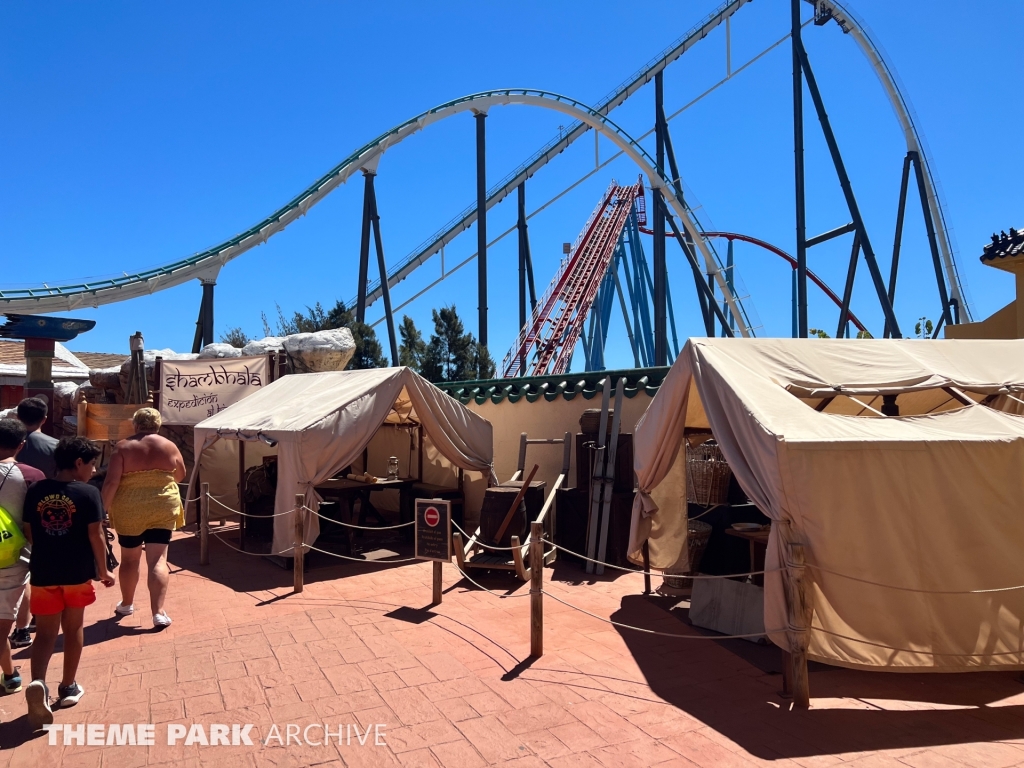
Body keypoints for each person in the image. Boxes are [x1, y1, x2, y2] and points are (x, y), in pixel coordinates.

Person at [22, 437, 115, 728]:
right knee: (73, 627)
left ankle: (38, 683)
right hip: (77, 573)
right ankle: (68, 686)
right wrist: (104, 570)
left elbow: (29, 531)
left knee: (45, 634)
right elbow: (95, 536)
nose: (92, 470)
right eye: (91, 464)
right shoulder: (88, 493)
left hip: (44, 571)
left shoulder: (36, 490)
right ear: (78, 463)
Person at [101, 408, 185, 629]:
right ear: (157, 425)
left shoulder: (122, 447)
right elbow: (180, 475)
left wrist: (102, 510)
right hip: (162, 507)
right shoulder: (169, 446)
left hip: (129, 509)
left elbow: (111, 483)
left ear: (135, 425)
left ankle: (127, 604)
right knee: (158, 559)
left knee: (130, 559)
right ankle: (158, 613)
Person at [0, 420, 45, 695]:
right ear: (21, 445)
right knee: (2, 626)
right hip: (13, 558)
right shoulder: (31, 475)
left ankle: (9, 674)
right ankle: (10, 676)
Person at [12, 396, 58, 649]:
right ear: (44, 419)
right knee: (41, 570)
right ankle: (41, 615)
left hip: (8, 519)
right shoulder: (54, 446)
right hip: (47, 517)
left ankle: (21, 624)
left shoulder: (8, 444)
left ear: (18, 416)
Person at [16, 397, 57, 480]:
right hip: (45, 492)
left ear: (18, 417)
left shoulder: (5, 441)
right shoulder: (57, 445)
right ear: (44, 419)